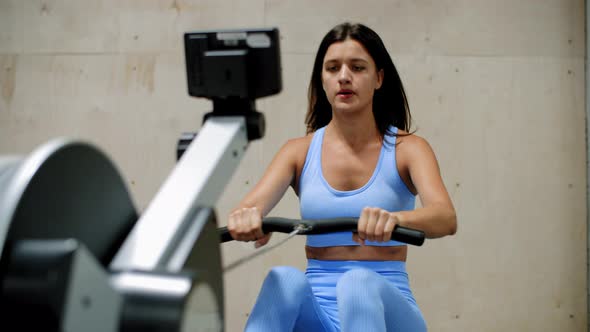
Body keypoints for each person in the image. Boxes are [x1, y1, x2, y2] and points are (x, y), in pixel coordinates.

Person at [227, 22, 457, 332]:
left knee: (357, 283)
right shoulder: (298, 152)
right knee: (283, 279)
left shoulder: (408, 149)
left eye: (357, 67)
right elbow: (249, 208)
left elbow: (445, 217)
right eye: (333, 68)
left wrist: (395, 219)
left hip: (386, 310)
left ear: (378, 78)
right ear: (322, 80)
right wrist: (246, 220)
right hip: (317, 313)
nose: (344, 76)